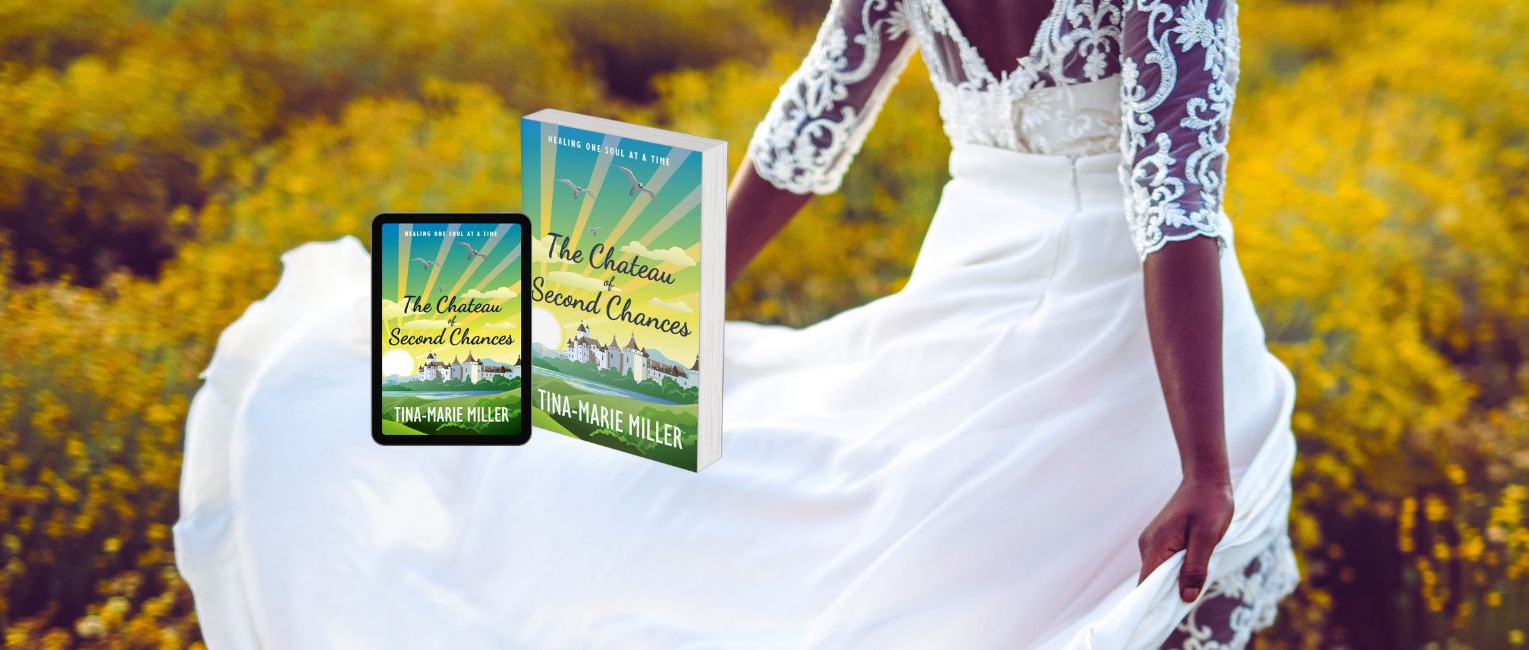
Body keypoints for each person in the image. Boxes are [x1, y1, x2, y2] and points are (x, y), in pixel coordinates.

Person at [173, 0, 1299, 647]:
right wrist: (1204, 463)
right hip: (1125, 357)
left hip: (996, 304)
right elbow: (1176, 211)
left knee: (835, 527)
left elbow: (810, 126)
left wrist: (669, 292)